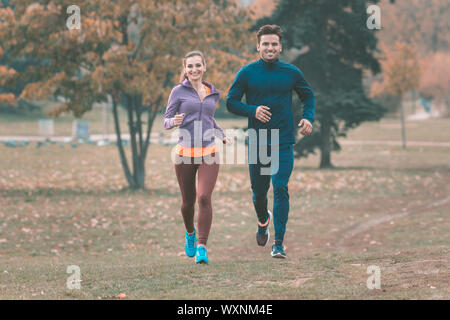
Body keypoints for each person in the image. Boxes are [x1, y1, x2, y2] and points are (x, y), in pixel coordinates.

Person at [226, 25, 315, 259]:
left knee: (281, 187)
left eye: (274, 44)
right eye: (265, 44)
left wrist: (308, 117)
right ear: (258, 46)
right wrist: (252, 110)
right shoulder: (246, 73)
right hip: (257, 140)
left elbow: (308, 96)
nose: (270, 48)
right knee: (258, 192)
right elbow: (231, 102)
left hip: (283, 140)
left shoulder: (291, 72)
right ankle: (263, 220)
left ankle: (278, 243)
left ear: (280, 46)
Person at [163, 50, 230, 264]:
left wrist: (222, 135)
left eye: (197, 65)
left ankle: (202, 246)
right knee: (187, 203)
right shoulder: (177, 92)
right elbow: (166, 120)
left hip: (209, 152)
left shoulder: (212, 92)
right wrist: (174, 121)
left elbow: (210, 120)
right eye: (189, 66)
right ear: (185, 69)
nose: (194, 69)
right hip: (184, 154)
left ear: (204, 67)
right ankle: (190, 233)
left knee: (204, 198)